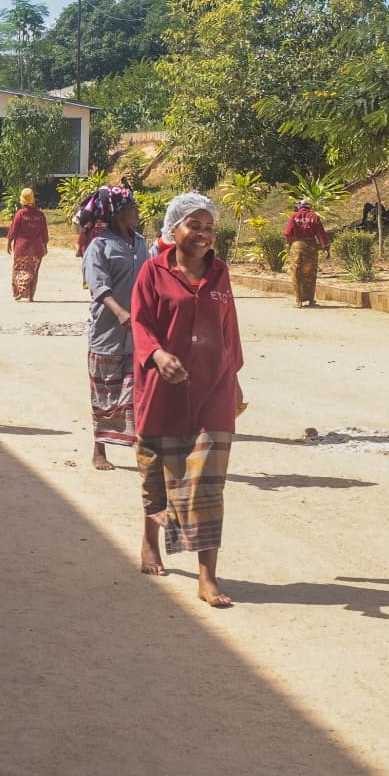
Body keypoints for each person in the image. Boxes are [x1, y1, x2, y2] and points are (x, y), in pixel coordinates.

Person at [130, 192, 243, 606]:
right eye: (194, 225)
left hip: (213, 389)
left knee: (207, 483)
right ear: (173, 228)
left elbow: (228, 324)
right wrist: (157, 356)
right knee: (159, 474)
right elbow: (140, 323)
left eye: (209, 227)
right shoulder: (152, 273)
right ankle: (149, 539)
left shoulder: (220, 273)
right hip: (163, 392)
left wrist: (235, 377)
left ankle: (207, 576)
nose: (203, 234)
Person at [81, 185, 149, 471]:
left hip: (140, 333)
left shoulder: (141, 243)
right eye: (132, 206)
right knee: (105, 393)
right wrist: (120, 312)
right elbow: (98, 286)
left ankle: (143, 453)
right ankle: (99, 450)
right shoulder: (99, 246)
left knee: (139, 394)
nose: (137, 211)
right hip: (108, 333)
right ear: (119, 213)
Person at [284, 200, 330, 307]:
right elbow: (320, 233)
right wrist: (326, 247)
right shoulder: (314, 217)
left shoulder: (293, 216)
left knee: (296, 273)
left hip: (297, 247)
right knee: (310, 273)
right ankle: (310, 299)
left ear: (299, 206)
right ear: (309, 207)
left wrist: (290, 241)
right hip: (311, 247)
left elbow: (287, 232)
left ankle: (298, 300)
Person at [6, 187, 50, 301]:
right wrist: (45, 246)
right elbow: (44, 232)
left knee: (19, 269)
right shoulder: (40, 215)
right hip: (37, 248)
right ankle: (30, 295)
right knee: (34, 271)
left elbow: (13, 230)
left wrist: (9, 242)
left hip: (22, 248)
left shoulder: (20, 214)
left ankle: (20, 291)